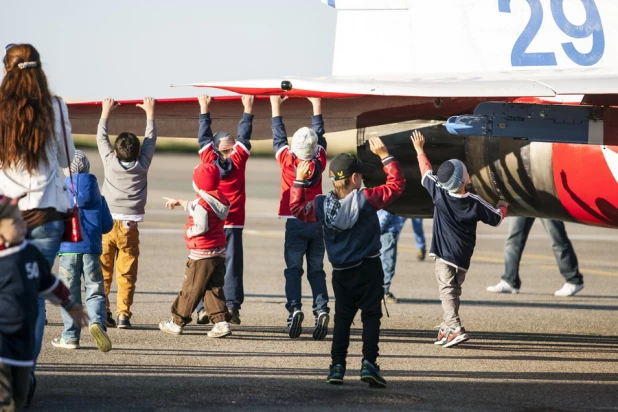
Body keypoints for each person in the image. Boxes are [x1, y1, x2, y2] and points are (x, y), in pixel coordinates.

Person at [290, 137, 405, 387]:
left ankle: (337, 367)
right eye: (360, 176)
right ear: (354, 178)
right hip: (369, 268)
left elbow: (298, 209)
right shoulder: (366, 199)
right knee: (371, 316)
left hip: (341, 273)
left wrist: (299, 179)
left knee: (342, 319)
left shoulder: (322, 204)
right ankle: (369, 364)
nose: (362, 180)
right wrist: (385, 155)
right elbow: (397, 185)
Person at [0, 43, 76, 402]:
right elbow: (67, 158)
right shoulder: (55, 107)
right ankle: (24, 375)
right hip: (46, 215)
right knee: (34, 296)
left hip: (4, 217)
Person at [411, 130, 508, 348]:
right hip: (463, 257)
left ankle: (454, 327)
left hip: (444, 254)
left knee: (446, 290)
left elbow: (426, 171)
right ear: (463, 179)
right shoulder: (473, 201)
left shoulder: (439, 193)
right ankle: (447, 328)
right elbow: (495, 219)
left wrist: (419, 150)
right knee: (453, 290)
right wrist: (503, 205)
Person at [0, 195, 87, 411]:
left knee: (20, 399)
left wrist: (70, 304)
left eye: (22, 219)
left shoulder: (31, 253)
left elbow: (49, 284)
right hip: (2, 342)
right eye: (16, 222)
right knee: (6, 402)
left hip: (24, 342)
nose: (24, 225)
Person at [270, 96, 330, 340]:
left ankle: (294, 309)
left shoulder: (287, 161)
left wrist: (276, 106)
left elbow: (277, 137)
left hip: (294, 222)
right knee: (316, 270)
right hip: (317, 223)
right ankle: (322, 309)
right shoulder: (321, 161)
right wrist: (316, 105)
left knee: (293, 270)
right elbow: (320, 133)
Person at [193, 94, 254, 326]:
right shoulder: (238, 160)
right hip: (233, 221)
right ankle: (232, 306)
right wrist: (248, 109)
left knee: (204, 264)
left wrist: (204, 109)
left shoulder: (208, 160)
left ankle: (202, 308)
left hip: (210, 222)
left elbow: (203, 138)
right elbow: (245, 137)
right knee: (232, 266)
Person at [98, 97, 157, 329]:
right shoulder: (143, 164)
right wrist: (150, 114)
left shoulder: (109, 161)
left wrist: (105, 112)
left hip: (106, 224)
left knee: (103, 271)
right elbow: (151, 140)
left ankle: (102, 311)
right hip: (129, 227)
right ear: (139, 152)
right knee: (127, 273)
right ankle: (124, 315)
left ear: (115, 151)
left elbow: (100, 138)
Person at [159, 163, 233, 338]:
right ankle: (221, 322)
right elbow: (198, 205)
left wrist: (190, 232)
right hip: (218, 252)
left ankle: (177, 321)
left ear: (198, 183)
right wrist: (181, 202)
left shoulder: (201, 203)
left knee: (191, 288)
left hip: (201, 255)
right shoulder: (219, 199)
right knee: (212, 288)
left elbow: (201, 223)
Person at [52, 151, 113, 352]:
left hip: (67, 250)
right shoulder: (98, 196)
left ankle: (70, 336)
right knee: (95, 289)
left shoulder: (59, 194)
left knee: (69, 294)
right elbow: (107, 226)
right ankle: (97, 322)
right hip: (92, 250)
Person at [486, 217, 585, 296]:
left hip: (546, 199)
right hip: (524, 198)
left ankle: (574, 280)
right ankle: (510, 280)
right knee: (513, 240)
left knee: (558, 239)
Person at [377, 210, 406, 303]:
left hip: (385, 232)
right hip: (387, 233)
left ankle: (380, 291)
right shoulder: (390, 200)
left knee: (385, 263)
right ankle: (383, 293)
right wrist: (377, 230)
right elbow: (387, 212)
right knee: (388, 264)